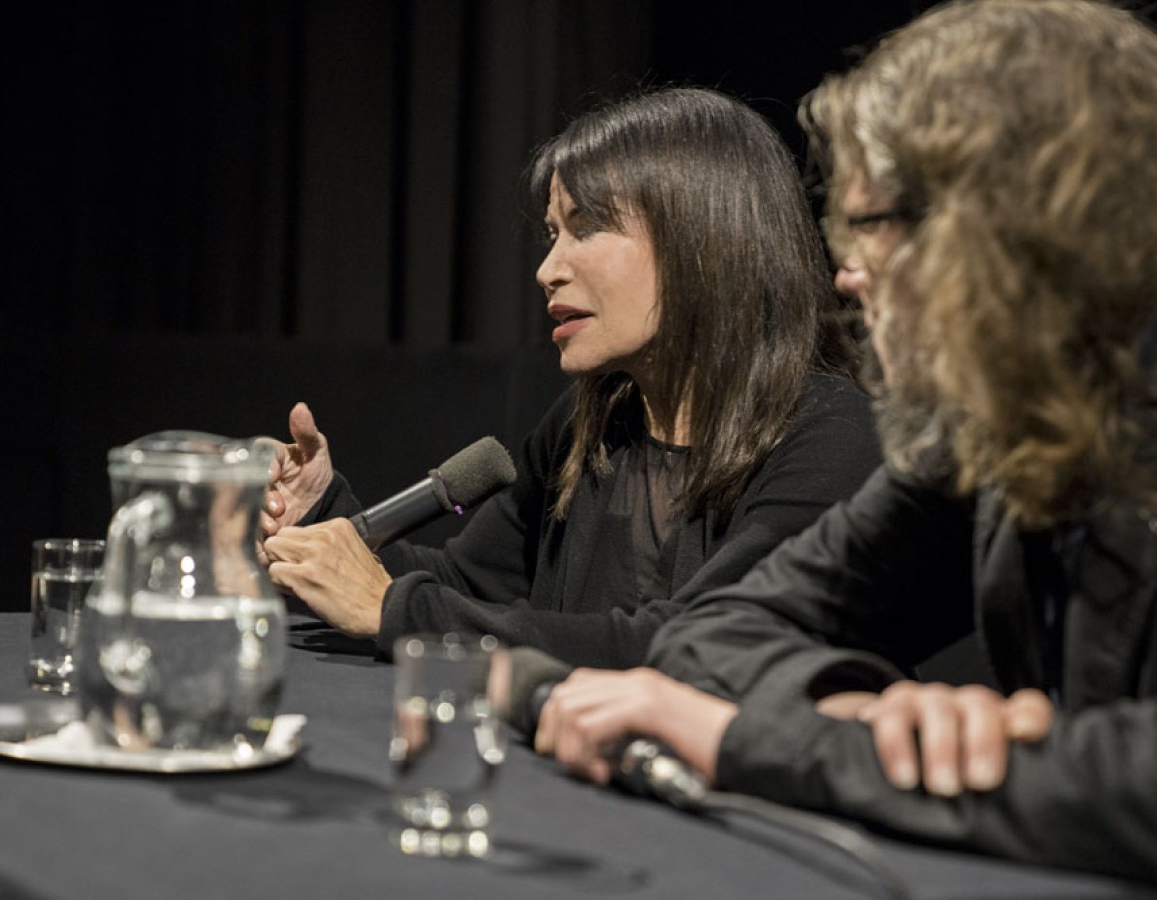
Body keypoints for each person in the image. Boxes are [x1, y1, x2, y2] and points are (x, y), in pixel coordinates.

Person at [532, 0, 1157, 883]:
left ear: (1019, 225)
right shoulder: (992, 433)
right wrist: (868, 720)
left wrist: (771, 744)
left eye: (876, 226)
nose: (846, 274)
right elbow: (710, 637)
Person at [259, 86, 881, 668]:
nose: (548, 269)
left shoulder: (831, 437)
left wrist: (401, 611)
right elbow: (466, 588)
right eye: (554, 234)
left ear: (703, 242)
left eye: (586, 227)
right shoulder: (596, 421)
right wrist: (319, 513)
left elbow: (697, 646)